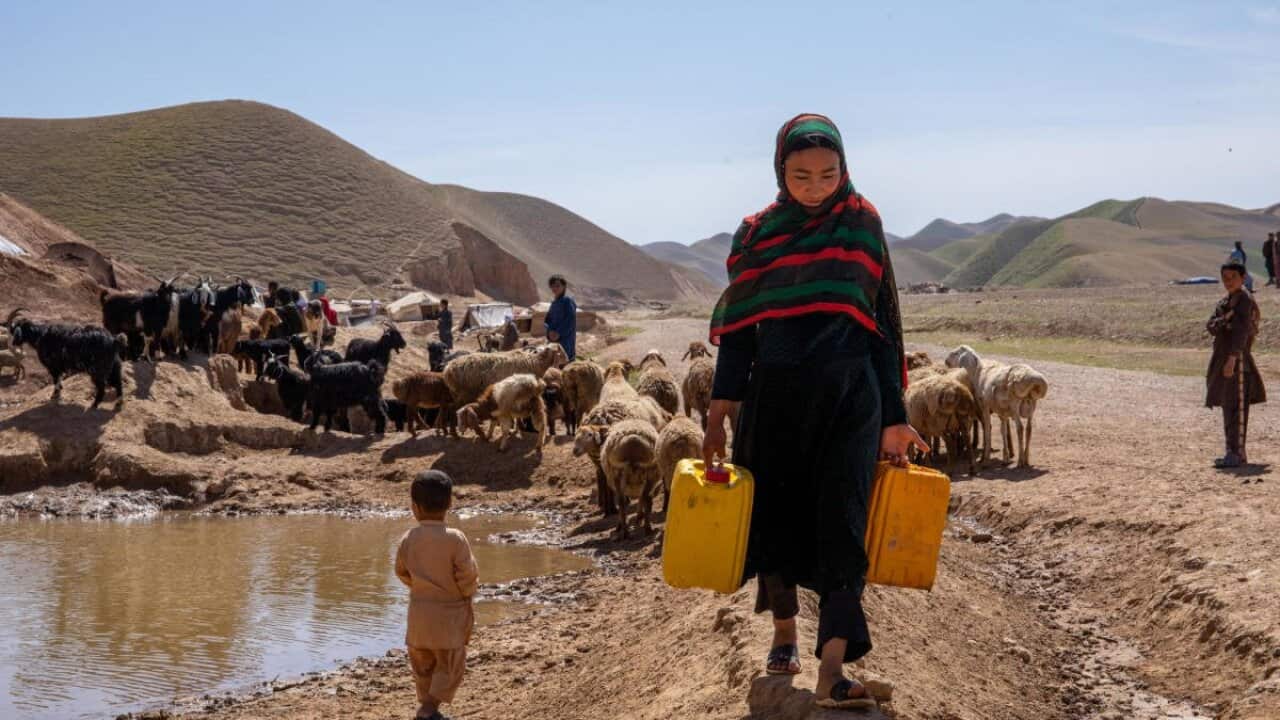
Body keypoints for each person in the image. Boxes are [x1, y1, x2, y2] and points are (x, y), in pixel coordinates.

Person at [701, 113, 927, 711]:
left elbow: (885, 324)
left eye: (828, 173)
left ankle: (832, 669)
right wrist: (721, 404)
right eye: (801, 175)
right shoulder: (757, 233)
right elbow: (744, 328)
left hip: (851, 398)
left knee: (843, 524)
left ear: (845, 168)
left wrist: (895, 414)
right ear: (780, 171)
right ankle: (783, 632)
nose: (816, 186)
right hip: (774, 397)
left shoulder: (862, 223)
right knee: (773, 518)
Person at [395, 470, 478, 720]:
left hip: (418, 618)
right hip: (449, 617)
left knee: (423, 667)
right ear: (450, 504)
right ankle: (429, 709)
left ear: (414, 508)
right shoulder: (456, 539)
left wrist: (420, 587)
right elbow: (467, 575)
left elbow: (401, 571)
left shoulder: (408, 539)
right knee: (451, 664)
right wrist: (465, 593)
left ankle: (427, 708)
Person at [1205, 259, 1266, 469]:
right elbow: (1211, 326)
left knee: (1236, 407)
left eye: (1233, 277)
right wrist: (1225, 319)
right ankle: (1232, 451)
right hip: (1223, 358)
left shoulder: (1244, 301)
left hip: (1237, 361)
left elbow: (1241, 332)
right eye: (1225, 278)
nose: (1228, 281)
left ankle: (1237, 453)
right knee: (1227, 405)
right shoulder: (1225, 302)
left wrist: (1232, 358)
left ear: (1243, 278)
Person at [543, 274, 577, 361]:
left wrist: (559, 333)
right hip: (553, 340)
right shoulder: (554, 303)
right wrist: (549, 332)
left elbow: (570, 319)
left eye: (558, 286)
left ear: (564, 286)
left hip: (565, 341)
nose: (555, 288)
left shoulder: (567, 301)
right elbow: (547, 320)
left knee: (564, 362)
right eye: (553, 286)